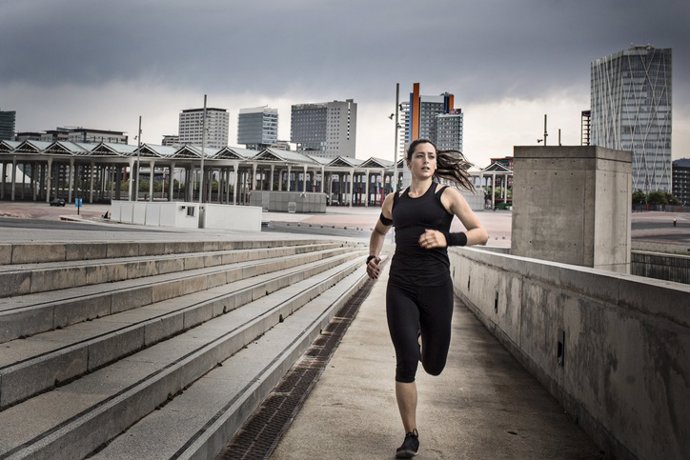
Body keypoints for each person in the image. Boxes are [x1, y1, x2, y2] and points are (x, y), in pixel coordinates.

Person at [366, 138, 489, 458]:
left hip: (436, 289)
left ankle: (422, 342)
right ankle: (411, 434)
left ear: (435, 164)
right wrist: (372, 257)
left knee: (433, 366)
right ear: (409, 163)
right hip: (401, 288)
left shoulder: (446, 196)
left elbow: (481, 232)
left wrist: (446, 238)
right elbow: (379, 232)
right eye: (419, 156)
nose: (426, 161)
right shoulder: (394, 201)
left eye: (431, 157)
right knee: (406, 361)